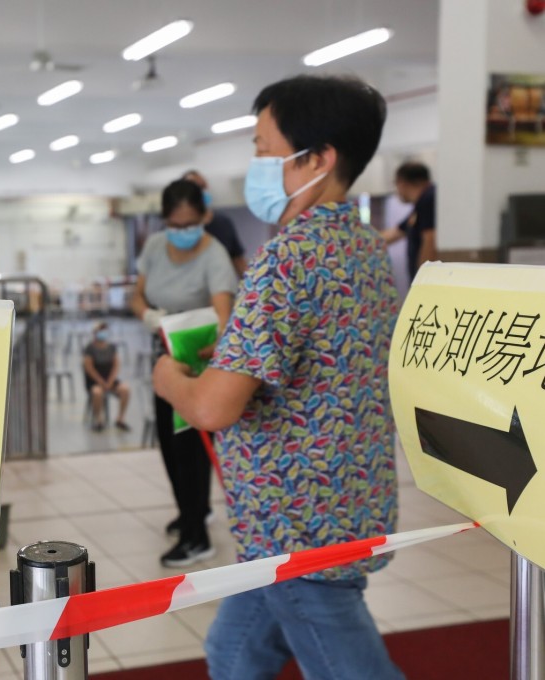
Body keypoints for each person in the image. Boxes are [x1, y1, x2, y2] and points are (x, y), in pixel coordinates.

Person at [153, 74, 402, 679]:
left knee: (349, 667)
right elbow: (314, 356)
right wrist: (233, 347)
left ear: (318, 158)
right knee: (233, 654)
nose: (256, 165)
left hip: (297, 524)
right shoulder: (365, 247)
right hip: (348, 499)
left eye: (265, 149)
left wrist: (169, 378)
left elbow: (213, 407)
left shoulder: (289, 257)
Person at [130, 179, 238, 568]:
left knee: (191, 450)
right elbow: (137, 294)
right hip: (165, 359)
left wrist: (215, 342)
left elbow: (225, 319)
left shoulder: (216, 257)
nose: (181, 232)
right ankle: (187, 513)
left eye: (189, 223)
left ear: (204, 217)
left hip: (199, 365)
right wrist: (148, 315)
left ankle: (197, 534)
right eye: (174, 225)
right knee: (169, 444)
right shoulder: (157, 247)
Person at [182, 170, 248, 277]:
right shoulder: (177, 229)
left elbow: (238, 260)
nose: (200, 191)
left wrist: (251, 285)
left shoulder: (223, 223)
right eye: (194, 187)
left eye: (203, 186)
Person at [382, 161, 436, 282]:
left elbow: (430, 240)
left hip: (427, 281)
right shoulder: (419, 207)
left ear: (402, 183)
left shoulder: (428, 199)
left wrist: (423, 280)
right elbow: (395, 233)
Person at [81, 322, 131, 432]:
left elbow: (116, 365)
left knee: (125, 389)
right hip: (94, 381)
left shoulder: (111, 347)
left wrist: (110, 381)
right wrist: (101, 382)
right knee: (97, 392)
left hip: (110, 380)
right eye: (100, 330)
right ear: (95, 333)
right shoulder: (89, 349)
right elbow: (89, 369)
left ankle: (120, 419)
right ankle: (99, 420)